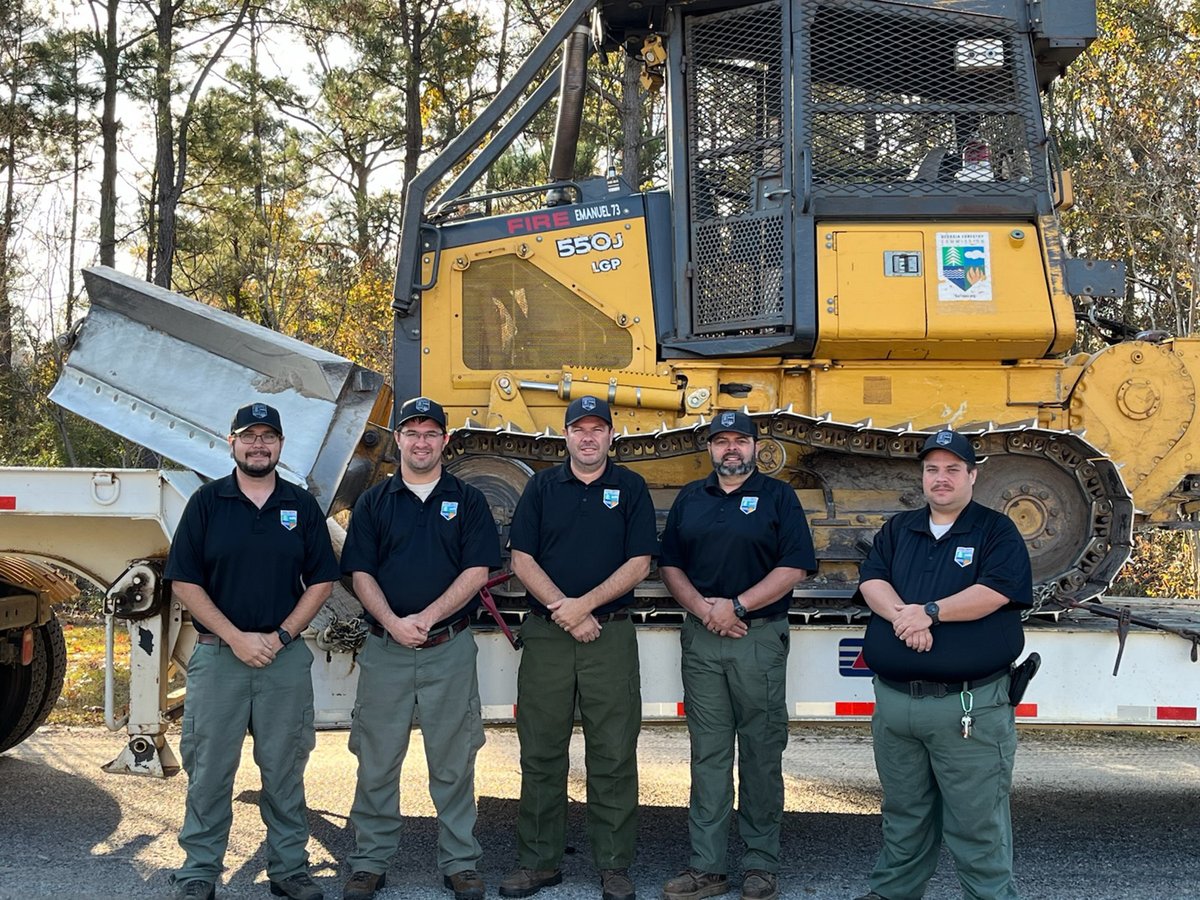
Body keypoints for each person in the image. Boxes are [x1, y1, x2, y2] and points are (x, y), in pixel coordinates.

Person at [165, 402, 339, 900]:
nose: (258, 445)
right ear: (232, 442)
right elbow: (184, 581)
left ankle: (289, 869)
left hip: (283, 659)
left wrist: (281, 635)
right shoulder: (207, 503)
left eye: (267, 437)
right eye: (249, 436)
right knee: (209, 770)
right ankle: (199, 871)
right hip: (219, 657)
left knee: (284, 770)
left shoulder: (300, 505)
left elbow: (322, 580)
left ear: (281, 445)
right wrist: (238, 638)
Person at [854, 429, 1033, 900]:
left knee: (977, 822)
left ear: (972, 475)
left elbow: (994, 592)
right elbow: (872, 581)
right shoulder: (899, 529)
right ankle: (892, 892)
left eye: (953, 469)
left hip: (967, 708)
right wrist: (905, 617)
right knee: (903, 814)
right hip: (895, 706)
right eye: (932, 469)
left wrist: (930, 612)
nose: (941, 478)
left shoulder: (996, 531)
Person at [339, 396, 501, 900]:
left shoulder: (468, 501)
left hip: (448, 647)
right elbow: (360, 572)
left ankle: (460, 862)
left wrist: (426, 619)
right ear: (399, 440)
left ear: (445, 441)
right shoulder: (374, 503)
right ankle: (370, 861)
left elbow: (477, 571)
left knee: (454, 762)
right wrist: (393, 622)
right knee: (376, 759)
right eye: (412, 432)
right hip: (385, 649)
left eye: (431, 433)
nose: (422, 442)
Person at [500, 396, 659, 900]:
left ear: (611, 436)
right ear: (565, 435)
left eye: (597, 429)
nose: (588, 438)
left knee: (613, 753)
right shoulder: (542, 487)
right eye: (579, 429)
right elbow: (521, 558)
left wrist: (583, 607)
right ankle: (539, 862)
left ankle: (614, 865)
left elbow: (640, 562)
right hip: (548, 636)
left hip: (608, 636)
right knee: (541, 752)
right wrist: (562, 609)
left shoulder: (630, 487)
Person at [658, 410, 816, 900]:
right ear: (709, 448)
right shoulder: (691, 497)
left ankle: (760, 864)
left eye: (739, 440)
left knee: (761, 751)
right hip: (703, 637)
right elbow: (670, 564)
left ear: (754, 447)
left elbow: (796, 566)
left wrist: (738, 606)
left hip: (757, 636)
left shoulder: (778, 497)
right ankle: (707, 867)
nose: (731, 448)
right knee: (708, 754)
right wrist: (705, 610)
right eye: (721, 440)